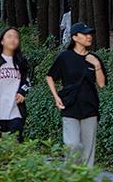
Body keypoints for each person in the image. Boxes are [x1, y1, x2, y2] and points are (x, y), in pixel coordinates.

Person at [46, 22, 107, 165]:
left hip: (90, 107)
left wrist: (96, 65)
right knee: (72, 145)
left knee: (88, 151)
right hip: (69, 106)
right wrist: (56, 97)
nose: (89, 36)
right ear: (75, 37)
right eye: (85, 34)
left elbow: (102, 84)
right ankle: (72, 179)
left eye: (90, 33)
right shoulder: (65, 57)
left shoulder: (94, 58)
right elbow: (50, 76)